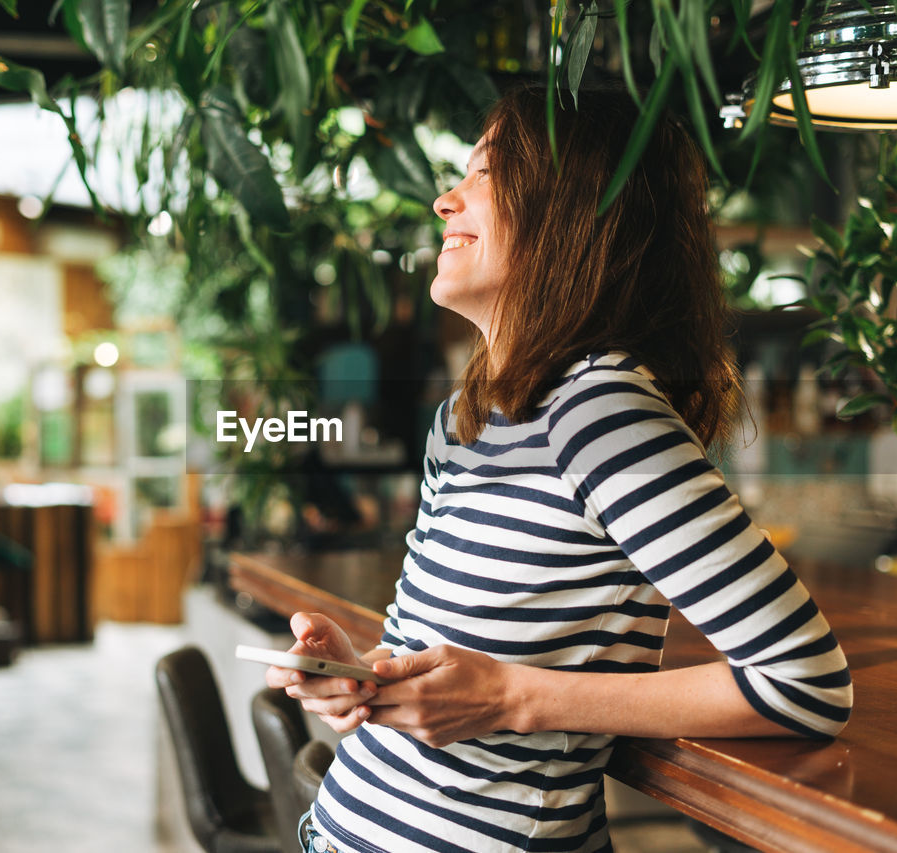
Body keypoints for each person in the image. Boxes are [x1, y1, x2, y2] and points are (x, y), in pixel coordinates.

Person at [265, 84, 853, 853]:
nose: (446, 200)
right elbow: (459, 660)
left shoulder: (601, 414)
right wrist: (368, 674)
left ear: (574, 212)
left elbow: (805, 684)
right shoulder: (467, 417)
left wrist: (515, 699)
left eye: (484, 174)